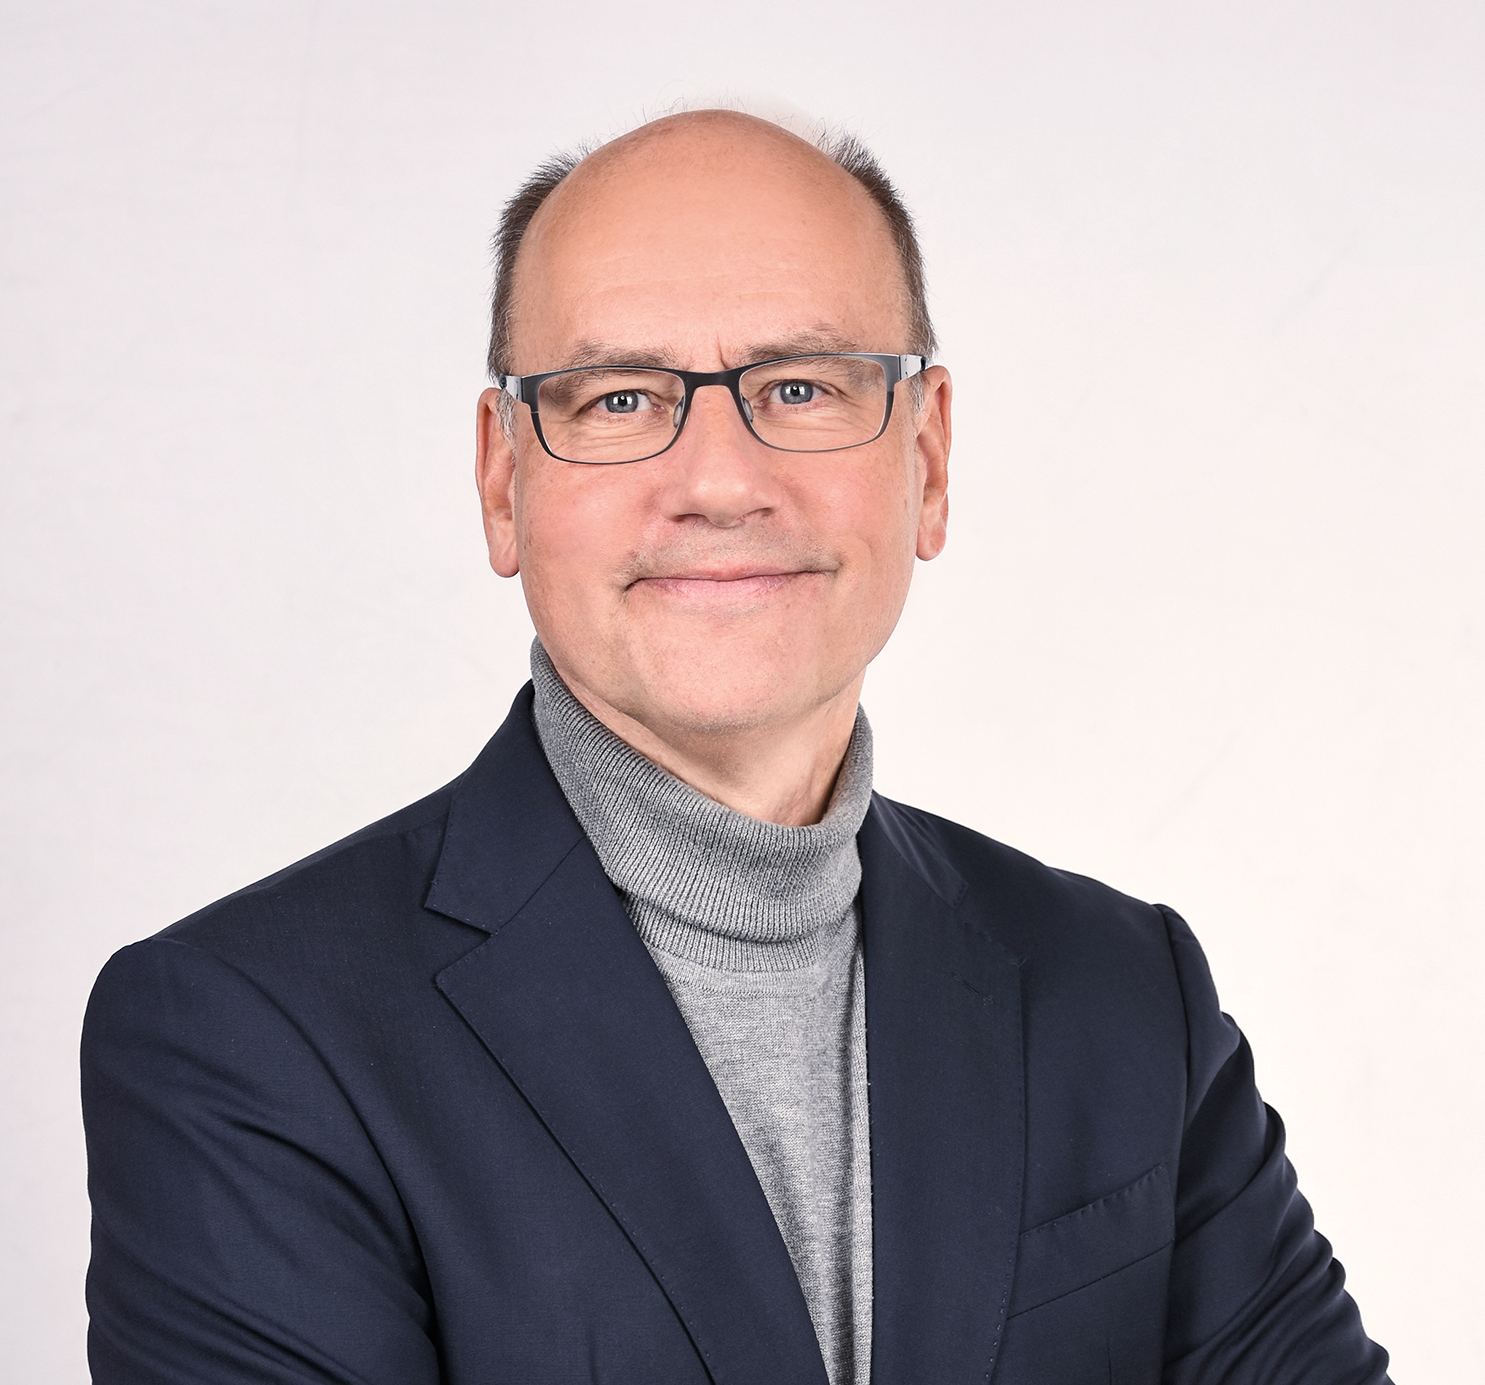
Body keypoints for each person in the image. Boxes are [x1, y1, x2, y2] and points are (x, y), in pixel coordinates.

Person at [81, 110, 1390, 1385]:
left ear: (929, 459)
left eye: (801, 387)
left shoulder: (1124, 994)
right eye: (618, 398)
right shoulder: (244, 1041)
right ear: (502, 480)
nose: (717, 481)